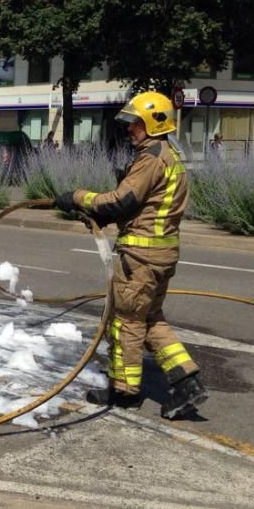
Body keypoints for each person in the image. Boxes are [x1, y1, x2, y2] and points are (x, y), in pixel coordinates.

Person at [54, 91, 207, 419]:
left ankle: (124, 391)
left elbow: (122, 200)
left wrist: (78, 197)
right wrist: (102, 216)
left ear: (153, 123)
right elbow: (141, 206)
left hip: (140, 258)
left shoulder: (151, 157)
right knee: (150, 318)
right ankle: (187, 381)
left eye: (134, 123)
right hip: (162, 254)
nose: (129, 129)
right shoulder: (170, 155)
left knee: (126, 322)